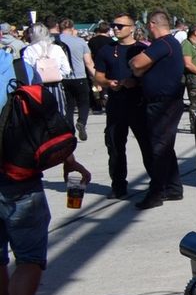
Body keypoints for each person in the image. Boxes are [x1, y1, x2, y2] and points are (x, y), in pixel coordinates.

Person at [0, 50, 92, 295]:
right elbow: (45, 118)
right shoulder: (17, 67)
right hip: (19, 179)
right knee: (28, 257)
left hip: (15, 180)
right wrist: (68, 161)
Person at [128, 11, 185, 210]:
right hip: (162, 102)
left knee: (159, 148)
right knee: (164, 146)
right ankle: (173, 188)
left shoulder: (163, 43)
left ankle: (156, 192)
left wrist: (138, 67)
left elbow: (136, 63)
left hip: (165, 103)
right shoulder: (169, 43)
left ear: (152, 24)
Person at [93, 13, 151, 200]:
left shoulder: (143, 49)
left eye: (120, 25)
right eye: (113, 25)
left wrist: (136, 82)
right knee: (115, 145)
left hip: (138, 102)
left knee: (147, 143)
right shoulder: (106, 50)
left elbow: (152, 76)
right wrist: (109, 83)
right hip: (116, 104)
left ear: (132, 28)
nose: (116, 28)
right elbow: (98, 76)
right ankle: (118, 185)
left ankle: (157, 181)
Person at [22, 23, 71, 118]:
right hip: (56, 86)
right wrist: (54, 74)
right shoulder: (57, 48)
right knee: (59, 114)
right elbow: (66, 70)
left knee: (39, 117)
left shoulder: (29, 50)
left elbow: (26, 72)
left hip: (37, 87)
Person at [57, 18, 94, 141]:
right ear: (72, 28)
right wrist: (96, 78)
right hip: (80, 76)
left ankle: (69, 129)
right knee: (84, 103)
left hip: (63, 77)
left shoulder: (55, 41)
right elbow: (88, 62)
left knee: (69, 105)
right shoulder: (80, 42)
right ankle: (82, 122)